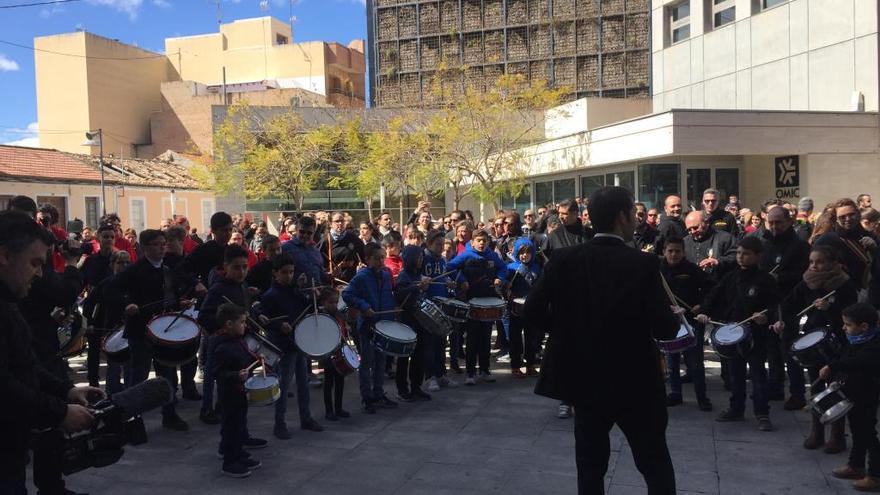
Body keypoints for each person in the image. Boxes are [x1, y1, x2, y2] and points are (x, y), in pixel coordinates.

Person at [525, 186, 679, 494]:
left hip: (585, 378)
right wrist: (673, 316)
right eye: (634, 216)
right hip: (635, 379)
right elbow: (665, 330)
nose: (636, 222)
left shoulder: (564, 259)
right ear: (622, 217)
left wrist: (565, 329)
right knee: (653, 461)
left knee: (590, 465)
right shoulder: (642, 264)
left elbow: (531, 310)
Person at [0, 211, 103, 495]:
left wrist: (66, 391)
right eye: (35, 263)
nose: (39, 273)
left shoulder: (10, 302)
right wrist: (59, 413)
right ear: (5, 255)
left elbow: (25, 365)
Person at [772, 245, 857, 452]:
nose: (814, 266)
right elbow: (787, 304)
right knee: (817, 386)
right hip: (815, 338)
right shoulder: (807, 282)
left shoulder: (844, 285)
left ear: (833, 264)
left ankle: (837, 435)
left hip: (839, 341)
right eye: (811, 262)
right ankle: (817, 431)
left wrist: (831, 309)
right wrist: (780, 320)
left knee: (835, 387)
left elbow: (852, 316)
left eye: (819, 262)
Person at [697, 236, 780, 431]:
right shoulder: (730, 277)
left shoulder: (766, 280)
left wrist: (766, 316)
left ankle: (762, 413)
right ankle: (736, 408)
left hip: (756, 334)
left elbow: (775, 305)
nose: (741, 257)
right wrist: (704, 312)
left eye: (746, 254)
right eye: (740, 254)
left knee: (758, 375)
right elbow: (714, 296)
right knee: (735, 374)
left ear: (758, 256)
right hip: (733, 332)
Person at [112, 229, 191, 431]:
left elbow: (169, 295)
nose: (162, 247)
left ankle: (170, 415)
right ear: (145, 247)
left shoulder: (167, 269)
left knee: (168, 374)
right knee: (139, 376)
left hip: (163, 329)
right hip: (140, 330)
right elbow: (112, 290)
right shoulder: (134, 269)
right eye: (156, 244)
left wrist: (178, 303)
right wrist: (127, 304)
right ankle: (130, 420)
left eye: (163, 243)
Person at [257, 253, 323, 439]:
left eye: (291, 272)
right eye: (284, 272)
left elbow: (308, 309)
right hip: (283, 345)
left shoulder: (295, 291)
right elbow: (265, 320)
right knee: (283, 386)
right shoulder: (270, 295)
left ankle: (306, 418)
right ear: (275, 273)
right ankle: (279, 424)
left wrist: (313, 298)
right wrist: (279, 325)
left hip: (299, 342)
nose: (288, 276)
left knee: (303, 383)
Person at [818, 303, 880, 491]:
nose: (844, 328)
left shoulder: (874, 344)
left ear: (864, 327)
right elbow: (846, 356)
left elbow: (858, 362)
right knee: (856, 430)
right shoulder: (855, 339)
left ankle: (876, 475)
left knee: (868, 434)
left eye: (848, 324)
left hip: (868, 394)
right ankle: (856, 465)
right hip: (854, 392)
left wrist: (833, 366)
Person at [755, 206, 811, 406]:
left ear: (789, 221)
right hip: (769, 302)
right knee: (772, 347)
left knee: (789, 347)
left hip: (789, 301)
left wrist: (780, 277)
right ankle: (775, 386)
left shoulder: (799, 246)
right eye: (771, 222)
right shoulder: (765, 242)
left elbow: (804, 275)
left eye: (778, 222)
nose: (774, 226)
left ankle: (797, 393)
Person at [197, 245, 254, 426]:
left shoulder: (242, 286)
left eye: (245, 267)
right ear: (226, 266)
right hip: (218, 341)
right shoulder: (218, 289)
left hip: (237, 341)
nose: (242, 271)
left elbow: (244, 310)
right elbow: (204, 315)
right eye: (236, 267)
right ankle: (207, 409)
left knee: (232, 378)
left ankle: (223, 407)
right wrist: (225, 328)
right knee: (212, 375)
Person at [342, 243, 399, 414]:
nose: (381, 261)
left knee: (381, 362)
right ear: (367, 259)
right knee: (366, 362)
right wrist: (364, 306)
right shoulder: (361, 277)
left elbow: (390, 294)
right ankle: (367, 397)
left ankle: (379, 393)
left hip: (384, 325)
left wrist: (393, 311)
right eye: (376, 258)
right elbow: (347, 294)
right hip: (368, 325)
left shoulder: (386, 275)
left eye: (383, 257)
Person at [447, 228, 508, 386]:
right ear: (472, 242)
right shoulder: (466, 255)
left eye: (484, 241)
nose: (481, 243)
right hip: (471, 301)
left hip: (488, 300)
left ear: (488, 242)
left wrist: (499, 278)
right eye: (478, 240)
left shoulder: (492, 256)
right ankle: (470, 372)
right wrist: (462, 280)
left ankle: (485, 370)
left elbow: (503, 268)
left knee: (486, 338)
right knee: (472, 338)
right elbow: (450, 268)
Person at [210, 303, 263, 478]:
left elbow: (242, 357)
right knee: (232, 426)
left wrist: (256, 357)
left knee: (239, 424)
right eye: (241, 322)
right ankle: (229, 462)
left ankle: (236, 453)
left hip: (239, 391)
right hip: (229, 393)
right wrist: (235, 375)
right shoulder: (221, 346)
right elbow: (216, 372)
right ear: (228, 324)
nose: (245, 325)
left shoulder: (236, 340)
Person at [660, 236, 712, 412]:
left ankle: (702, 396)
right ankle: (675, 393)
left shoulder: (692, 270)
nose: (674, 254)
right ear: (664, 252)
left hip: (691, 319)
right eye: (670, 251)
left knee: (695, 361)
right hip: (668, 321)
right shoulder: (657, 271)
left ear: (683, 252)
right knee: (672, 360)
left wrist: (701, 307)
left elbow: (710, 289)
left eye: (677, 251)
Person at [81, 250, 132, 395]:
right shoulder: (106, 284)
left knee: (130, 367)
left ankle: (129, 396)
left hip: (130, 329)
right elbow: (89, 303)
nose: (125, 265)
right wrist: (90, 323)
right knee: (114, 367)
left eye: (128, 262)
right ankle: (112, 397)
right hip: (110, 330)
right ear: (112, 265)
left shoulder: (134, 282)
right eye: (121, 262)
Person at [393, 245, 433, 401]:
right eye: (418, 257)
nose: (421, 260)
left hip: (419, 318)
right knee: (404, 357)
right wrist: (416, 287)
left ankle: (416, 386)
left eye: (422, 257)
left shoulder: (418, 274)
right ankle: (402, 389)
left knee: (419, 355)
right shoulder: (404, 276)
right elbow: (398, 294)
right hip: (407, 319)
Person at [814, 198, 877, 293]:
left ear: (858, 214)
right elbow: (817, 273)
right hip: (843, 295)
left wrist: (875, 249)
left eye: (851, 214)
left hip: (872, 294)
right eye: (842, 217)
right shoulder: (826, 241)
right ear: (836, 219)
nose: (848, 219)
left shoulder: (871, 236)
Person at [422, 230, 457, 391]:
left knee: (441, 343)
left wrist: (448, 282)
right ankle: (429, 377)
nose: (441, 248)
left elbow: (443, 277)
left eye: (443, 244)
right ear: (429, 243)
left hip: (441, 304)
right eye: (438, 244)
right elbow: (414, 276)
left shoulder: (442, 260)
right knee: (429, 344)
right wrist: (422, 280)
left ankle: (441, 373)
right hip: (427, 305)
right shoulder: (422, 258)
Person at [506, 237, 541, 378]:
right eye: (521, 252)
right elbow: (505, 285)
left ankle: (531, 365)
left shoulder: (537, 267)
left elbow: (541, 285)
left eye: (527, 252)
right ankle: (515, 365)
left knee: (531, 337)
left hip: (532, 307)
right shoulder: (511, 268)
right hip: (515, 308)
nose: (524, 255)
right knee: (515, 338)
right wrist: (506, 288)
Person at [317, 289, 351, 420]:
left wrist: (347, 327)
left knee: (340, 381)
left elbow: (343, 327)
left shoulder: (338, 314)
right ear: (324, 302)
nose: (334, 305)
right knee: (329, 382)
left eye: (336, 302)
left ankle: (339, 408)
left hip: (339, 351)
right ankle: (329, 411)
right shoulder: (322, 316)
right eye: (331, 302)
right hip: (327, 352)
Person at [684, 211, 737, 283]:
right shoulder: (685, 242)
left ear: (706, 223)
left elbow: (736, 257)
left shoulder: (725, 238)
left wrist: (718, 261)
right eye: (689, 230)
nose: (692, 231)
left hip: (719, 285)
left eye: (695, 227)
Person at [317, 212, 366, 283]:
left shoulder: (352, 238)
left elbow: (364, 255)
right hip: (333, 283)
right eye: (337, 221)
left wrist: (362, 266)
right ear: (330, 224)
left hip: (352, 281)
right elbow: (317, 262)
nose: (340, 223)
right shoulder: (326, 240)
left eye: (342, 221)